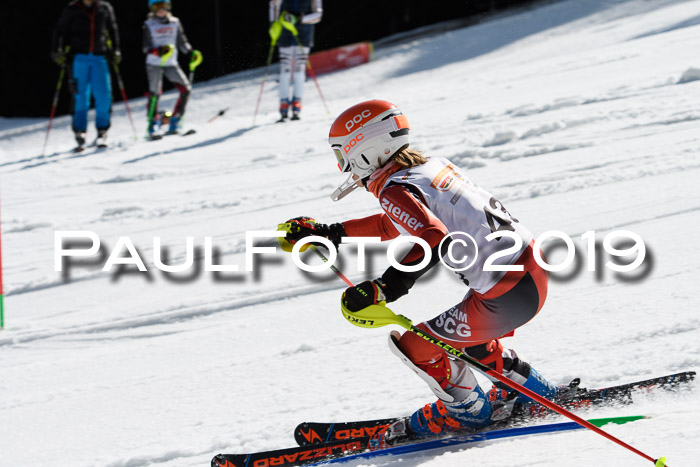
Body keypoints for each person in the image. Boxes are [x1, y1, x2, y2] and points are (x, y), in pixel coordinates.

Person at [281, 100, 558, 441]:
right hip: (529, 274)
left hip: (506, 294)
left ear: (365, 151)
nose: (344, 169)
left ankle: (467, 412)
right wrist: (332, 232)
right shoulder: (429, 167)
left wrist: (386, 287)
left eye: (343, 157)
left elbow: (432, 236)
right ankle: (529, 388)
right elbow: (393, 224)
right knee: (470, 340)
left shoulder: (395, 188)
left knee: (415, 345)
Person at [51, 0, 121, 150]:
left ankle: (102, 131)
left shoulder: (104, 7)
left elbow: (112, 28)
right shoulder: (72, 8)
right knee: (80, 96)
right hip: (78, 57)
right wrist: (57, 50)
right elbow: (60, 30)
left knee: (104, 96)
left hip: (100, 56)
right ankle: (80, 131)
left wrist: (116, 49)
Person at [143, 0, 196, 138]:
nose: (161, 10)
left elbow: (182, 42)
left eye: (163, 6)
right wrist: (157, 50)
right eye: (157, 7)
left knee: (186, 89)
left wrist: (190, 52)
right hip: (154, 63)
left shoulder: (175, 22)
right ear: (152, 9)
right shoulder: (149, 24)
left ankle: (175, 120)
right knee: (155, 93)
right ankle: (153, 124)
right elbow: (145, 47)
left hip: (171, 62)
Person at [268, 0, 323, 122]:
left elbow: (318, 15)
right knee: (285, 70)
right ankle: (283, 103)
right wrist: (273, 23)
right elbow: (273, 5)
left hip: (304, 35)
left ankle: (297, 102)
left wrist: (299, 18)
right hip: (284, 35)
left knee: (299, 70)